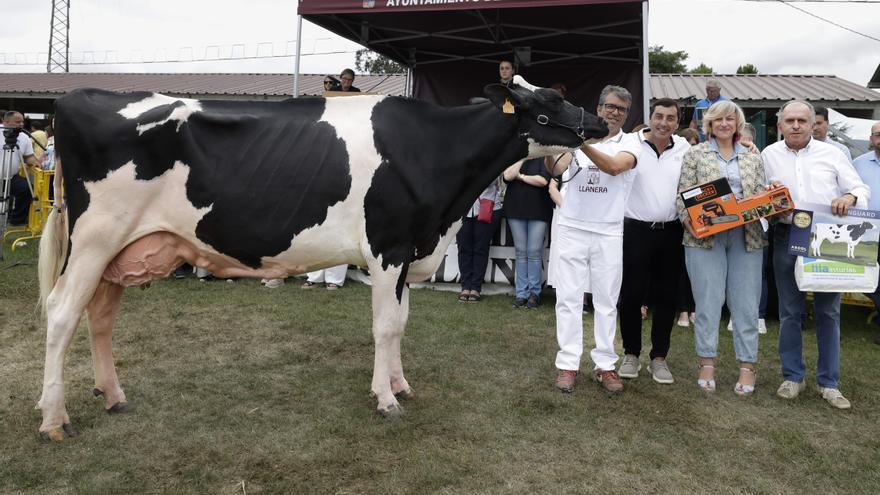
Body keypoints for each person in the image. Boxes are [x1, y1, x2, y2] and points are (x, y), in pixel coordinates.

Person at [762, 100, 869, 409]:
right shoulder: (769, 155)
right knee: (789, 311)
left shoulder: (833, 153)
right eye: (789, 120)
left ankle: (829, 382)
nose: (795, 125)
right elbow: (760, 197)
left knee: (829, 311)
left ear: (813, 124)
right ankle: (793, 376)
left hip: (826, 236)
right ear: (780, 125)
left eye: (802, 120)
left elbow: (860, 188)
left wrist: (849, 196)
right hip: (786, 235)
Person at [546, 85, 641, 394]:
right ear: (598, 108)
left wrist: (580, 141)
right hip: (572, 226)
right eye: (609, 106)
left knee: (606, 300)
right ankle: (568, 364)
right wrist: (555, 148)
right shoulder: (578, 138)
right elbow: (557, 167)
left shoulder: (632, 142)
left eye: (621, 109)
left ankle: (605, 365)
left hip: (609, 230)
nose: (614, 112)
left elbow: (614, 167)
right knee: (569, 298)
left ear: (627, 114)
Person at [677, 100, 767, 396]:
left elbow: (761, 194)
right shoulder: (695, 154)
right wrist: (689, 221)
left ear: (737, 124)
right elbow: (682, 194)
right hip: (705, 237)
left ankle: (747, 366)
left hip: (747, 235)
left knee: (745, 303)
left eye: (730, 119)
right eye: (719, 120)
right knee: (707, 301)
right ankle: (706, 363)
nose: (725, 124)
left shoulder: (754, 158)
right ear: (710, 125)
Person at [618, 98, 690, 384]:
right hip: (635, 230)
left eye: (670, 118)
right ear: (650, 117)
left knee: (666, 297)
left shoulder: (685, 148)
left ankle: (659, 358)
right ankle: (631, 353)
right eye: (659, 116)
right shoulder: (631, 143)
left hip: (671, 231)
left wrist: (747, 144)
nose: (663, 123)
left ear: (677, 122)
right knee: (632, 295)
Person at [503, 157, 553, 309]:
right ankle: (521, 294)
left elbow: (543, 180)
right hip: (515, 208)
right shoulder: (515, 155)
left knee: (533, 252)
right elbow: (507, 176)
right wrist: (522, 159)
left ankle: (534, 293)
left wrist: (521, 176)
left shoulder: (544, 155)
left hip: (539, 209)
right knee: (520, 252)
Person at [850, 120, 880, 345]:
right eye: (877, 135)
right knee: (870, 278)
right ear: (871, 139)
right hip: (867, 231)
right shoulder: (858, 164)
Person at [456, 177, 503, 303]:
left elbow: (492, 179)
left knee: (480, 248)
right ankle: (465, 286)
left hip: (488, 207)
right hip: (462, 208)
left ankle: (476, 288)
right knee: (463, 247)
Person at [1, 111, 39, 226]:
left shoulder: (24, 137)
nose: (21, 124)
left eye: (22, 121)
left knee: (26, 189)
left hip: (12, 177)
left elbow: (29, 157)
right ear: (6, 122)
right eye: (17, 122)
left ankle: (16, 221)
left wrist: (36, 163)